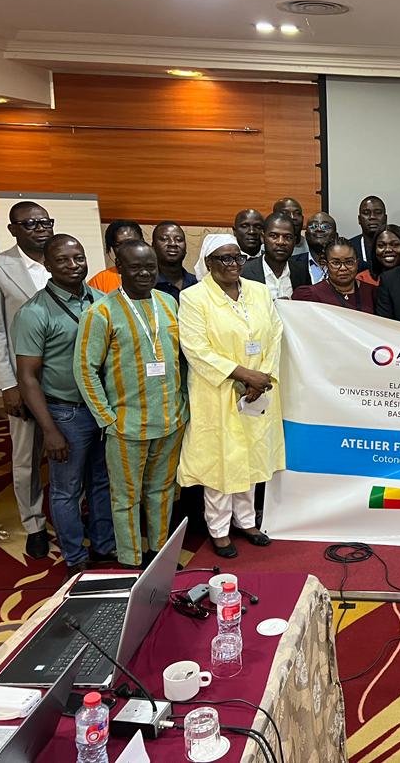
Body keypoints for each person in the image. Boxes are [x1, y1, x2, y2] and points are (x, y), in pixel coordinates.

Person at [75, 240, 188, 569]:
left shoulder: (168, 303)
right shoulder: (101, 312)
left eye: (150, 267)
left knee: (162, 491)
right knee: (126, 497)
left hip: (170, 421)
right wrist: (107, 418)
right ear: (119, 268)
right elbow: (85, 369)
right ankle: (130, 560)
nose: (144, 273)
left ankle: (159, 554)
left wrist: (183, 403)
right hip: (126, 426)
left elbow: (182, 359)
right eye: (135, 267)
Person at [14, 235, 114, 575]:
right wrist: (49, 429)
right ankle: (75, 556)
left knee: (102, 481)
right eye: (62, 260)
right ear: (47, 264)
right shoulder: (34, 313)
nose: (73, 265)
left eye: (79, 258)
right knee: (66, 489)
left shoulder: (102, 300)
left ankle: (104, 545)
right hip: (65, 413)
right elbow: (27, 377)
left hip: (102, 410)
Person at [178, 235, 282, 559]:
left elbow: (275, 335)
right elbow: (196, 348)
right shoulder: (194, 297)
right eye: (225, 258)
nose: (233, 264)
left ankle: (247, 522)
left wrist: (262, 377)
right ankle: (219, 529)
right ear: (209, 263)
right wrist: (244, 375)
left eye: (238, 258)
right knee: (220, 462)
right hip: (218, 391)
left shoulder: (259, 291)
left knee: (250, 456)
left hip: (257, 390)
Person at [0, 201, 52, 558]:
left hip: (66, 380)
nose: (40, 228)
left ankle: (70, 514)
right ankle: (34, 522)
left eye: (44, 221)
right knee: (26, 456)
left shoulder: (64, 259)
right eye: (30, 223)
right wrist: (7, 385)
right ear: (13, 230)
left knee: (73, 450)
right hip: (24, 380)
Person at [292, 238, 377, 313]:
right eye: (336, 263)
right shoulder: (311, 295)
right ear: (326, 264)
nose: (343, 268)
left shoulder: (372, 292)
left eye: (349, 262)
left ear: (357, 263)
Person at [240, 211, 310, 299]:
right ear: (262, 238)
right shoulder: (244, 272)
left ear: (294, 241)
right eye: (274, 236)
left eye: (288, 237)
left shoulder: (302, 272)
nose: (281, 242)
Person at [88, 220, 144, 293]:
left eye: (130, 242)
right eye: (118, 245)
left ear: (142, 241)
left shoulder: (155, 274)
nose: (125, 248)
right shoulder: (101, 280)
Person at [152, 221, 197, 302]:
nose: (173, 244)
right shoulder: (147, 284)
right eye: (164, 239)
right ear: (153, 247)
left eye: (179, 240)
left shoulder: (196, 284)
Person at [292, 212, 336, 284]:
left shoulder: (345, 266)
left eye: (325, 226)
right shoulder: (291, 264)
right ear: (306, 235)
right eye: (313, 226)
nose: (319, 229)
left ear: (335, 236)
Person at [349, 196, 387, 272]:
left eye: (378, 213)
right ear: (359, 219)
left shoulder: (396, 246)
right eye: (366, 213)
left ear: (385, 218)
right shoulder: (349, 247)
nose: (372, 217)